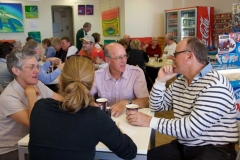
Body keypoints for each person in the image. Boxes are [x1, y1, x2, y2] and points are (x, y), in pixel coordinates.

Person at [126, 37, 238, 160]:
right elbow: (156, 106)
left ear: (189, 56)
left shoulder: (215, 84)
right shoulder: (181, 81)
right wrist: (160, 81)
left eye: (176, 54)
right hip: (185, 145)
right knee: (142, 158)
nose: (173, 58)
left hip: (215, 149)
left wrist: (149, 121)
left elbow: (191, 129)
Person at [28, 56, 137, 160]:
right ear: (93, 83)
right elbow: (130, 152)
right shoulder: (96, 118)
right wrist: (116, 130)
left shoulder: (40, 107)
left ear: (60, 82)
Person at [0, 49, 63, 159]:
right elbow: (34, 124)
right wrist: (30, 94)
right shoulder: (8, 97)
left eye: (37, 66)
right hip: (13, 150)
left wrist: (83, 101)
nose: (37, 71)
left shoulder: (37, 83)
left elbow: (60, 100)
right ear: (16, 70)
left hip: (35, 142)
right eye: (31, 67)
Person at [91, 43, 149, 117]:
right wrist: (90, 103)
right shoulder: (97, 75)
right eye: (119, 58)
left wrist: (126, 102)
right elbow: (85, 97)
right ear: (108, 60)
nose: (124, 60)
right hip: (107, 119)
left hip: (129, 118)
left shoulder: (136, 73)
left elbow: (145, 101)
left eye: (125, 56)